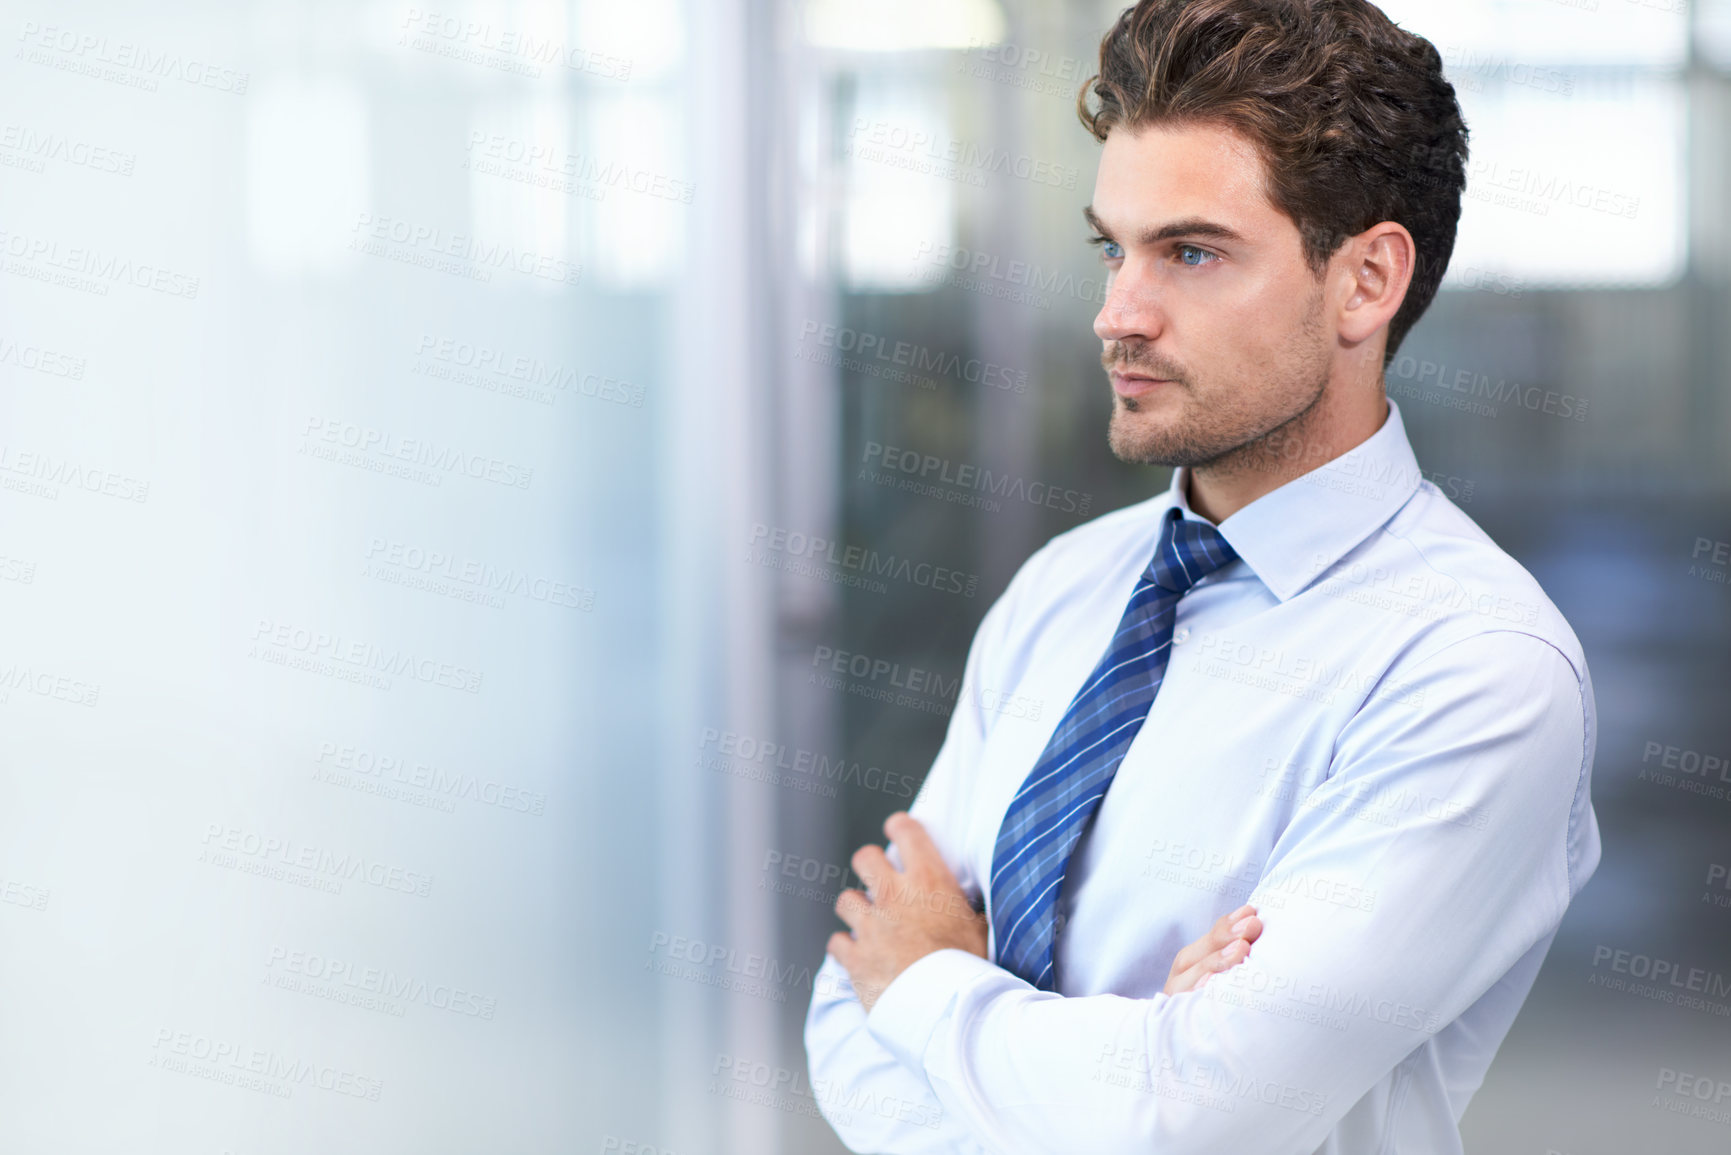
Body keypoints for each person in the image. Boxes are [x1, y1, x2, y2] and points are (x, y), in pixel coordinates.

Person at [804, 1, 1601, 1152]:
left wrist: (930, 984)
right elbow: (847, 1006)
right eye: (1110, 249)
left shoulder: (1475, 671)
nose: (1116, 315)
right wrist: (1120, 1060)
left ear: (1366, 282)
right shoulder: (1063, 588)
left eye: (1190, 252)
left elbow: (1188, 1119)